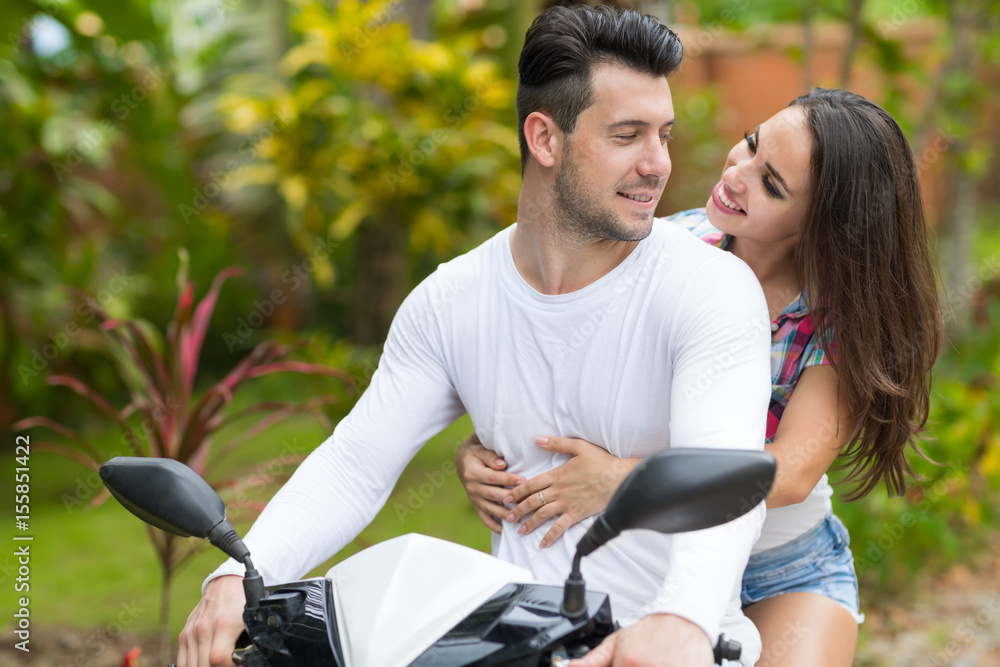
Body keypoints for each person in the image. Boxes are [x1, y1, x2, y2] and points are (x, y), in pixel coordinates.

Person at [178, 6, 775, 667]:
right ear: (544, 140)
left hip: (680, 648)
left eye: (663, 134)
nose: (657, 164)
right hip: (512, 646)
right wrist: (239, 575)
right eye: (628, 135)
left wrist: (680, 619)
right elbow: (355, 464)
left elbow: (722, 479)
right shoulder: (450, 300)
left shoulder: (709, 289)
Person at [457, 88, 943, 667]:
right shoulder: (666, 246)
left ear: (824, 223)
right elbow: (560, 367)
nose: (738, 173)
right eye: (752, 144)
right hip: (651, 560)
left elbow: (788, 473)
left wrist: (621, 481)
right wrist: (484, 448)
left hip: (783, 570)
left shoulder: (840, 316)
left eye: (772, 185)